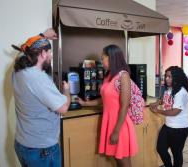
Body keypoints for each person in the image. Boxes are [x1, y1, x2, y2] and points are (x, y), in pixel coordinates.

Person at [12, 28, 71, 167]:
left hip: (23, 144)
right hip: (42, 150)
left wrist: (42, 36)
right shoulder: (38, 78)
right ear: (43, 53)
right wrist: (66, 91)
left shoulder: (18, 70)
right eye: (49, 52)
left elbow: (23, 50)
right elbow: (63, 108)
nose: (51, 55)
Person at [76, 44, 138, 167]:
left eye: (103, 57)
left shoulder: (123, 76)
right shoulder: (109, 76)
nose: (101, 61)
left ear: (112, 58)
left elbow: (125, 105)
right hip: (110, 122)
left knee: (123, 162)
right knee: (117, 160)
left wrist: (116, 131)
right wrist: (85, 103)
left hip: (120, 125)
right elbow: (104, 99)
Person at [149, 66, 188, 167]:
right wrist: (157, 102)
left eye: (169, 77)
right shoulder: (169, 89)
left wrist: (158, 110)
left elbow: (175, 111)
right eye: (166, 76)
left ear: (176, 77)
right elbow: (167, 99)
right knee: (161, 149)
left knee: (176, 154)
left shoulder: (181, 92)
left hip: (180, 128)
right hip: (168, 126)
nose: (166, 78)